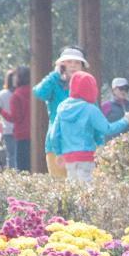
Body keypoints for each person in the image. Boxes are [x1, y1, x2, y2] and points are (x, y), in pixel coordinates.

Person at [48, 71, 129, 183]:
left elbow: (53, 135)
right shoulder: (90, 109)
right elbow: (108, 129)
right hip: (86, 156)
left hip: (68, 157)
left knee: (72, 188)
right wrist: (126, 120)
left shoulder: (62, 108)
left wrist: (58, 153)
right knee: (86, 191)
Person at [34, 46, 88, 178]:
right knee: (60, 188)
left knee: (82, 189)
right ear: (61, 64)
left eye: (77, 62)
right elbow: (39, 93)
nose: (73, 66)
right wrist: (55, 74)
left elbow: (94, 115)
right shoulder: (54, 83)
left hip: (81, 146)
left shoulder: (87, 85)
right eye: (68, 62)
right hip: (56, 145)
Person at [2, 67, 32, 171]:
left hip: (22, 134)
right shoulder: (35, 92)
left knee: (23, 167)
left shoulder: (16, 95)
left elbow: (15, 118)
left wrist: (1, 111)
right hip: (37, 134)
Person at [0, 68, 17, 169]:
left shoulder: (1, 94)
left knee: (11, 155)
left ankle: (12, 174)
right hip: (19, 129)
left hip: (7, 129)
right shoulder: (24, 93)